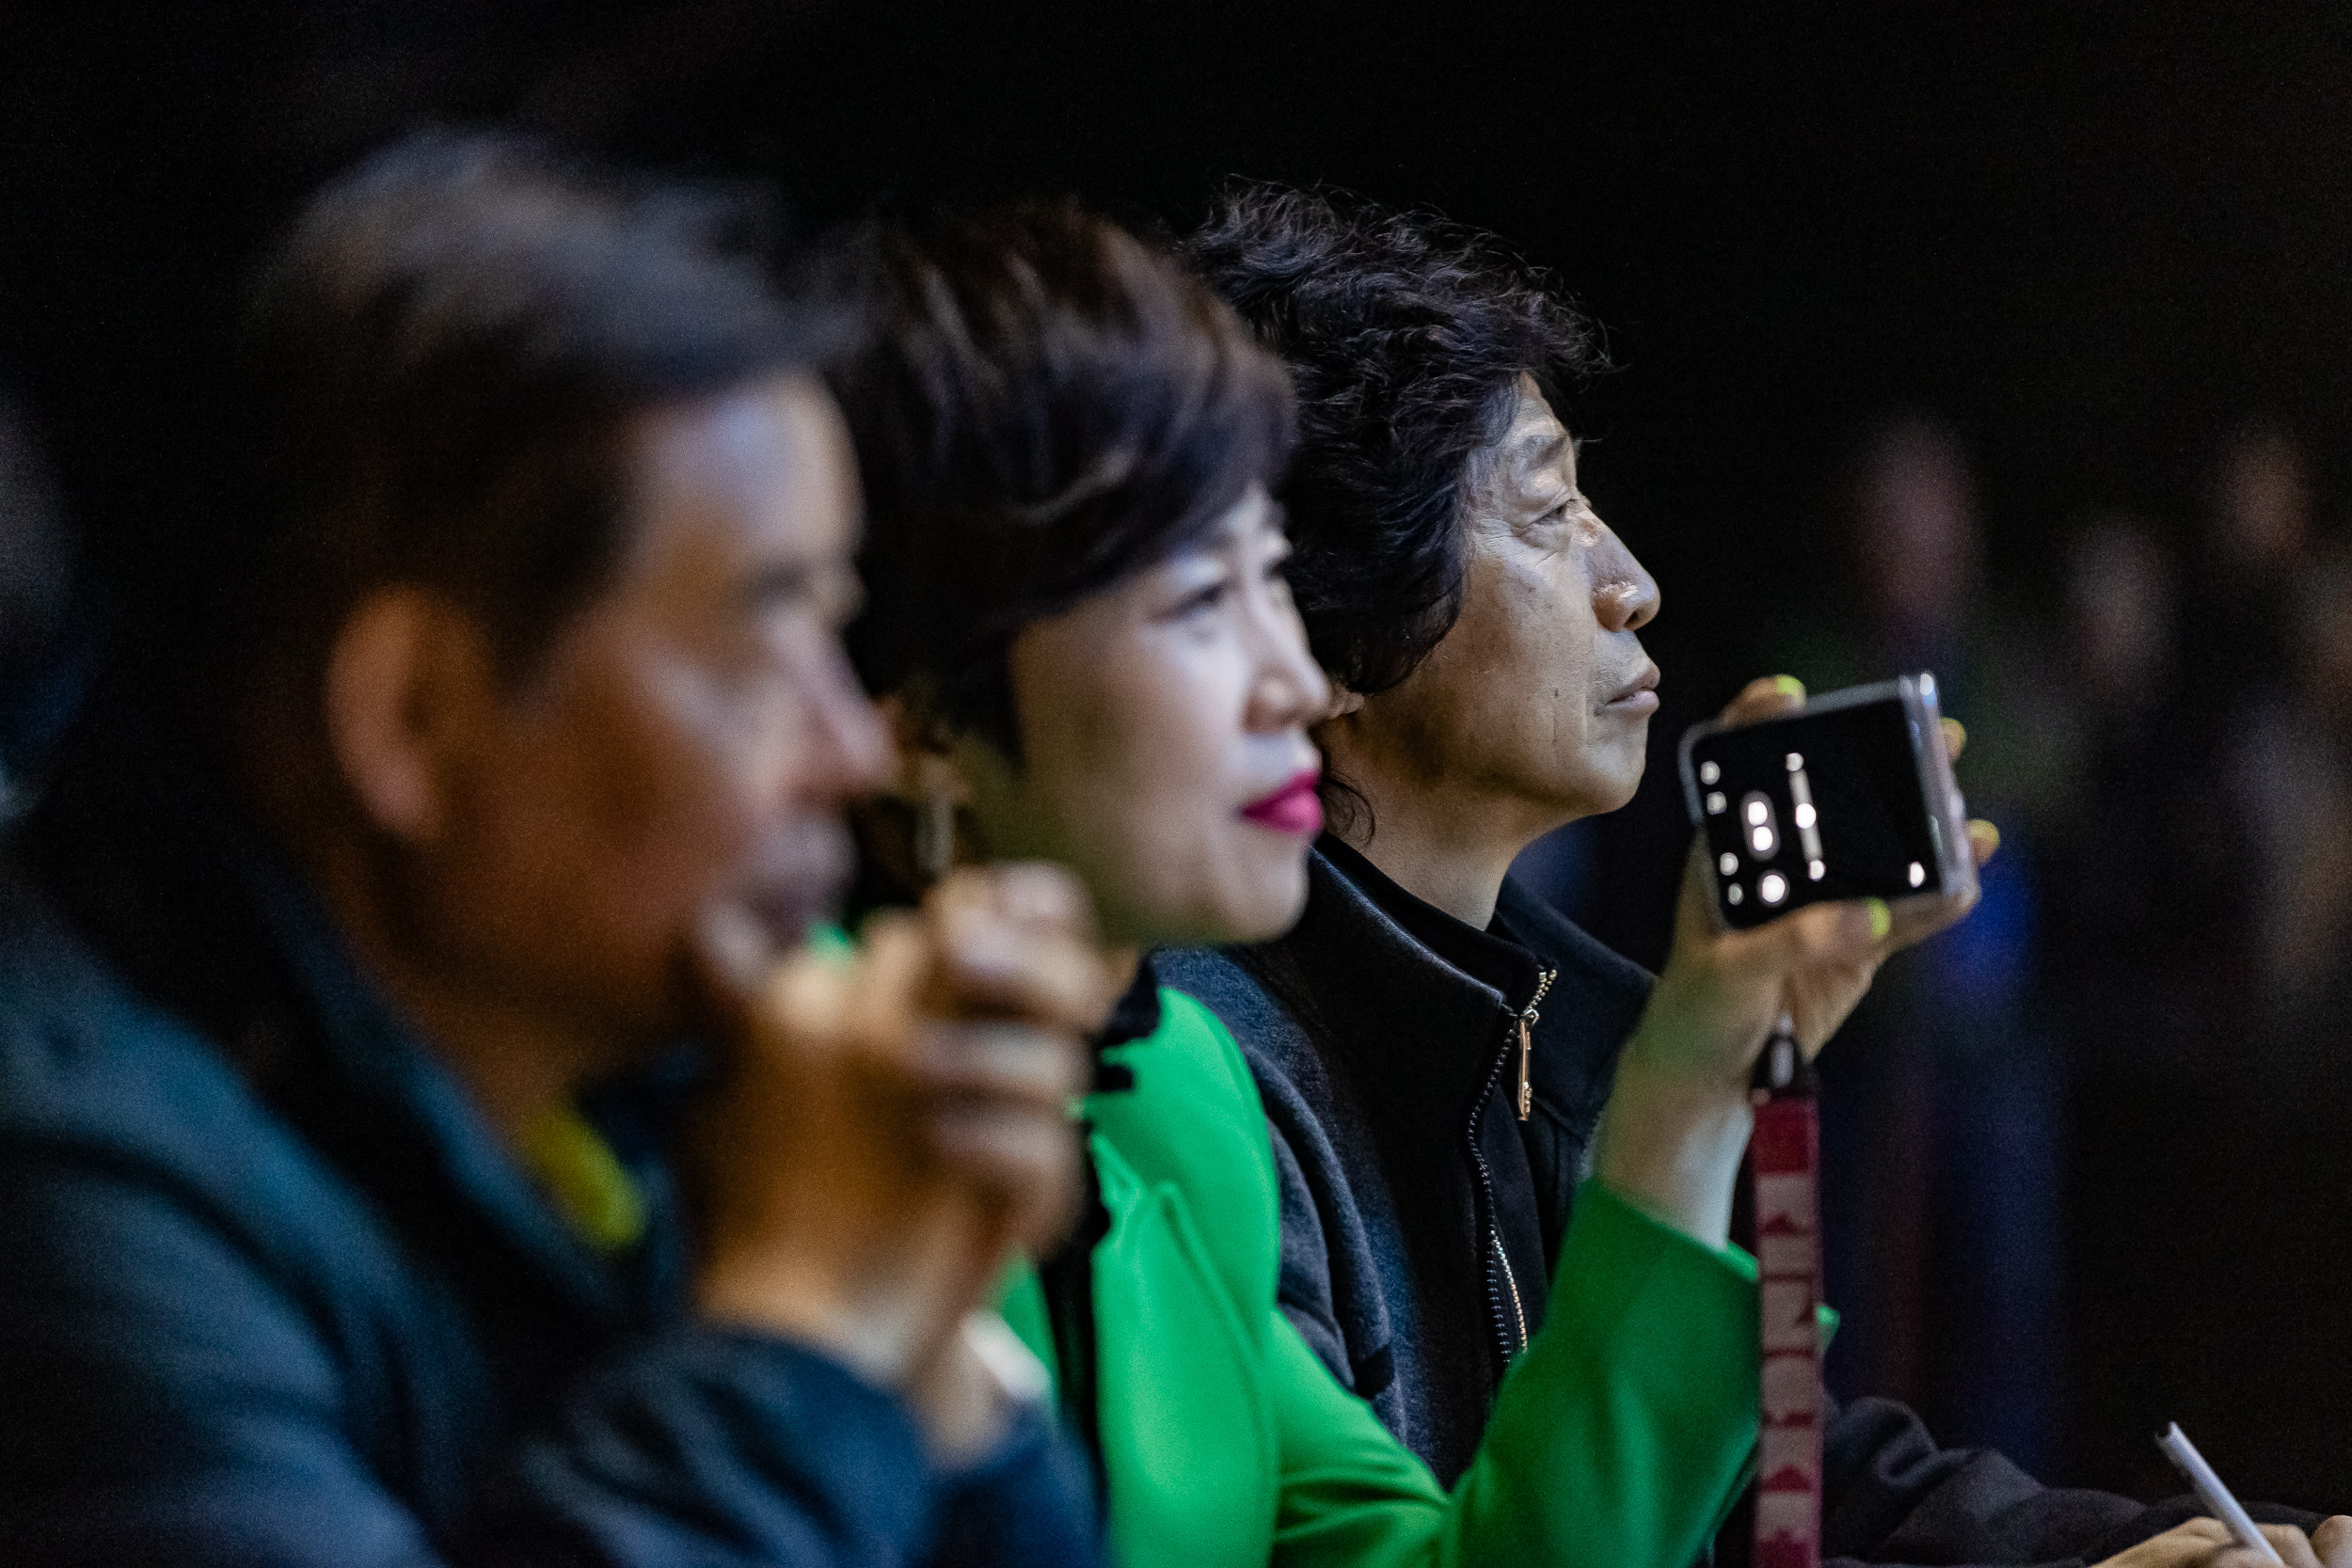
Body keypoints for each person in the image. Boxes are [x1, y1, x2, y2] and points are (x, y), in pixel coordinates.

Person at [1168, 183, 2349, 1568]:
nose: (1633, 581)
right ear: (1335, 612)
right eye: (1550, 514)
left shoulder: (1522, 1035)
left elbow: (1773, 1481)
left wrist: (2137, 1556)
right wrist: (1684, 1099)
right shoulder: (1205, 1090)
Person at [0, 133, 1110, 1566]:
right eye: (763, 643)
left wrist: (929, 1326)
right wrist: (811, 1325)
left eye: (839, 634)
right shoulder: (73, 1195)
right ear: (412, 719)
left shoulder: (673, 1095)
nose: (853, 750)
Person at [825, 198, 1945, 1568]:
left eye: (1272, 590)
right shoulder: (800, 1119)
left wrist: (1695, 1077)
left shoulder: (1175, 1086)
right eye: (1199, 605)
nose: (1295, 676)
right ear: (929, 726)